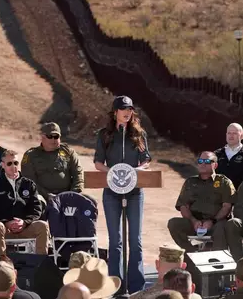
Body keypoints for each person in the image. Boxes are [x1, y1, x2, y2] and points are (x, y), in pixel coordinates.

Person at [94, 95, 151, 293]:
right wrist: (114, 174)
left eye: (130, 109)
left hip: (135, 192)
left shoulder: (139, 133)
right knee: (115, 241)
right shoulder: (104, 134)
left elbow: (146, 160)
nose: (127, 112)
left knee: (135, 240)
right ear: (115, 112)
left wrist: (136, 171)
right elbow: (98, 163)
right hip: (112, 191)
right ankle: (116, 286)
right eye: (123, 109)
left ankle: (136, 287)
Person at [0, 150, 50, 255]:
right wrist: (6, 222)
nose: (13, 166)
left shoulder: (29, 184)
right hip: (5, 229)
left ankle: (40, 265)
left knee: (42, 225)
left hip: (26, 227)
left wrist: (25, 222)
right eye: (9, 163)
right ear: (3, 165)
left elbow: (36, 209)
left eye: (16, 163)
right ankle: (3, 264)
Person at [168, 151, 235, 252]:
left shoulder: (224, 182)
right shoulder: (190, 182)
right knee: (173, 223)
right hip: (195, 223)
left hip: (216, 223)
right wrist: (193, 220)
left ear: (215, 165)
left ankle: (218, 260)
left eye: (207, 161)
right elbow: (183, 206)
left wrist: (212, 221)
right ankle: (191, 254)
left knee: (223, 227)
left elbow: (227, 206)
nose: (203, 164)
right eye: (200, 161)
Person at [21, 122, 84, 202]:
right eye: (50, 136)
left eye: (56, 136)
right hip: (41, 197)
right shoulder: (31, 155)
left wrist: (73, 193)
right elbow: (29, 180)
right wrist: (47, 195)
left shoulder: (68, 152)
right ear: (42, 137)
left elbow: (78, 174)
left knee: (90, 204)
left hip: (67, 196)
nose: (53, 139)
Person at [214, 123, 243, 190]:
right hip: (219, 197)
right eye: (229, 133)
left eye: (234, 133)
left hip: (240, 197)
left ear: (242, 136)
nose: (231, 136)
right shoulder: (216, 154)